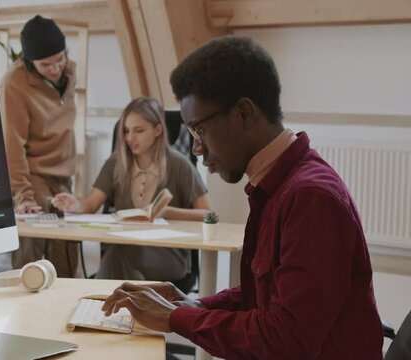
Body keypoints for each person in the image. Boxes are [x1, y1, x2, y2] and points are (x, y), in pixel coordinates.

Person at [101, 36, 383, 358]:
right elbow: (267, 299)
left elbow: (286, 338)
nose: (197, 148)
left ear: (244, 113)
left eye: (199, 131)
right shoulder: (279, 186)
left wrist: (174, 316)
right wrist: (192, 304)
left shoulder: (310, 198)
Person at [52, 96, 210, 281]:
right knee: (123, 263)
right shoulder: (116, 164)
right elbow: (90, 204)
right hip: (124, 248)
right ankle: (130, 301)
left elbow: (208, 215)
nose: (129, 138)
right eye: (126, 131)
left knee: (117, 257)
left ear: (158, 129)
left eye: (139, 130)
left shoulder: (179, 166)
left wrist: (166, 212)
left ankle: (95, 299)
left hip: (166, 256)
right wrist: (74, 204)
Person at [0, 15, 78, 277]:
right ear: (28, 61)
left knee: (65, 258)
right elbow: (12, 146)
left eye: (60, 60)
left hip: (63, 175)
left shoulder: (69, 71)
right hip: (32, 176)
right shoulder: (13, 85)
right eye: (46, 65)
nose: (56, 69)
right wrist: (23, 196)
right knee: (30, 262)